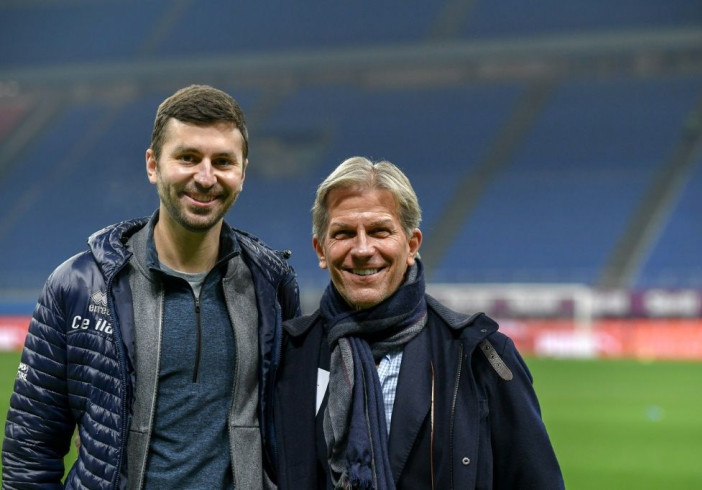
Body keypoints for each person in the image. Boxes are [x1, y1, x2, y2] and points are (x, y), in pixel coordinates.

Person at [2, 84, 301, 488]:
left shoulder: (272, 286)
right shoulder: (77, 286)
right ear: (153, 165)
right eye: (188, 158)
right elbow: (30, 448)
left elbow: (291, 437)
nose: (206, 177)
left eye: (223, 161)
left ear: (242, 173)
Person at [269, 156, 564, 489]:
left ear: (411, 246)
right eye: (344, 233)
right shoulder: (286, 356)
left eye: (380, 231)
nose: (363, 249)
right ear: (321, 250)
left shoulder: (480, 356)